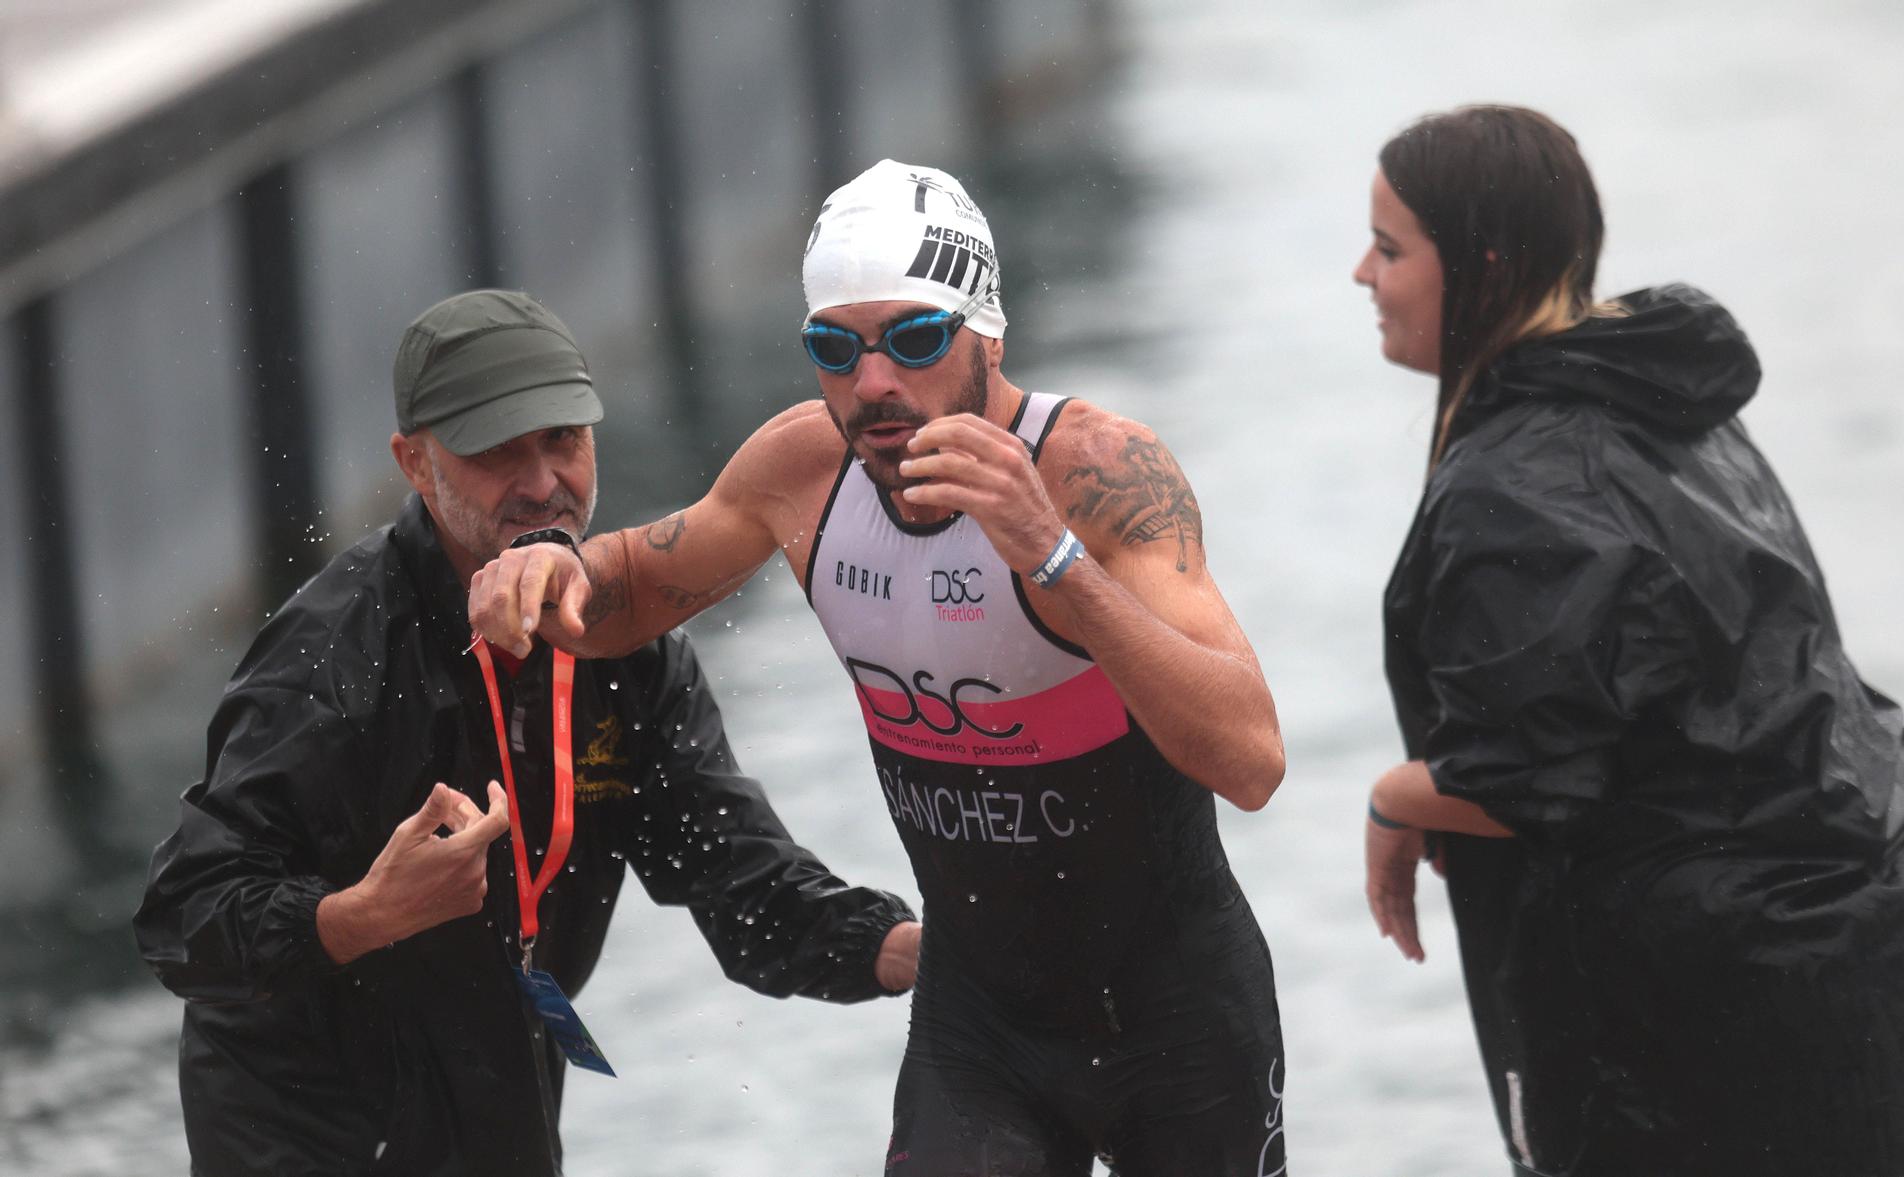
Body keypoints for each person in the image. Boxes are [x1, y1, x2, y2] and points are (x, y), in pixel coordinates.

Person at [468, 160, 1289, 1175]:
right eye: (834, 347)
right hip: (980, 1028)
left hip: (1180, 1031)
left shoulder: (1096, 473)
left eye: (913, 339)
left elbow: (1250, 758)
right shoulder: (802, 473)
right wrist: (550, 563)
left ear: (985, 332)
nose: (873, 385)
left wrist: (1050, 555)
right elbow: (631, 587)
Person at [133, 289, 920, 1177]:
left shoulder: (629, 654)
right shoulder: (337, 654)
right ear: (415, 462)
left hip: (501, 1090)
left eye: (563, 440)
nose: (544, 482)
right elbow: (181, 915)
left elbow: (745, 886)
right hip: (303, 1127)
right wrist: (360, 916)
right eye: (496, 453)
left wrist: (921, 956)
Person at [1353, 105, 1904, 1176]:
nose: (1361, 276)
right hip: (1897, 937)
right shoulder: (1667, 405)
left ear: (1483, 263)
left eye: (1387, 247)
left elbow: (1533, 777)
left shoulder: (1510, 485)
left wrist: (1395, 796)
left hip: (1740, 1016)